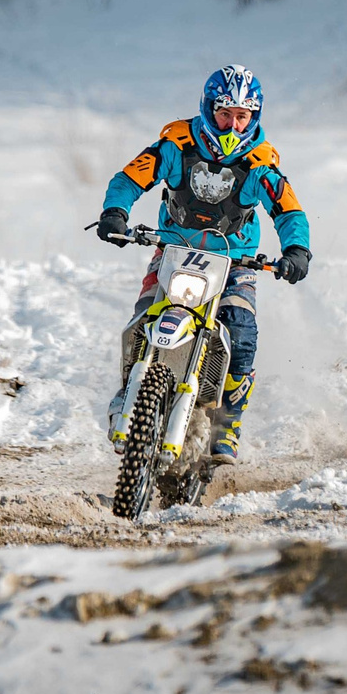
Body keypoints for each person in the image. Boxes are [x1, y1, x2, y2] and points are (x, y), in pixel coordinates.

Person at [96, 64, 310, 463]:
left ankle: (228, 422)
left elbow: (288, 210)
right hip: (172, 251)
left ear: (254, 118)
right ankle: (129, 390)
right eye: (224, 113)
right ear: (208, 109)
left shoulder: (260, 162)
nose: (231, 125)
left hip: (235, 262)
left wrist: (297, 250)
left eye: (241, 116)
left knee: (241, 331)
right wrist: (115, 212)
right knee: (143, 317)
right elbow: (129, 178)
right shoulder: (175, 145)